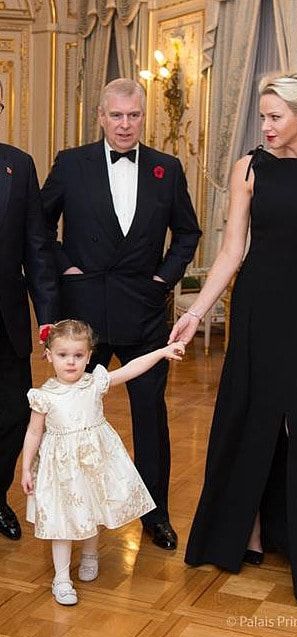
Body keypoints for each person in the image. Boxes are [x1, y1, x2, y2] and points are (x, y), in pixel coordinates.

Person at [170, 72, 297, 605]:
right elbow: (233, 250)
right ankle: (247, 532)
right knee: (249, 415)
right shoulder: (250, 168)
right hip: (256, 308)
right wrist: (197, 313)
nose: (266, 126)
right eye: (262, 116)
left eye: (275, 116)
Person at [41, 78, 201, 551]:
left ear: (142, 116)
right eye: (117, 115)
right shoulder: (71, 164)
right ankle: (73, 509)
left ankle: (157, 515)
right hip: (84, 314)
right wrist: (63, 264)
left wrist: (162, 280)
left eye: (133, 115)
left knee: (150, 415)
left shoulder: (166, 169)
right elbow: (40, 225)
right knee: (73, 415)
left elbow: (187, 233)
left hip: (144, 312)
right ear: (101, 116)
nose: (125, 124)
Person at [21, 319, 185, 605]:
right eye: (63, 355)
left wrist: (161, 352)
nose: (71, 362)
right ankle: (61, 578)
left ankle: (90, 553)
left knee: (92, 508)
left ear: (89, 355)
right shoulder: (44, 396)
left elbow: (131, 368)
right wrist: (25, 468)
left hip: (96, 461)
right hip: (61, 468)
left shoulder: (94, 382)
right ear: (48, 355)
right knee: (62, 519)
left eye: (78, 355)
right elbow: (34, 432)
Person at [0, 82, 59, 541]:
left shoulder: (18, 166)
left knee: (14, 415)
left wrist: (49, 320)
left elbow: (37, 249)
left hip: (7, 320)